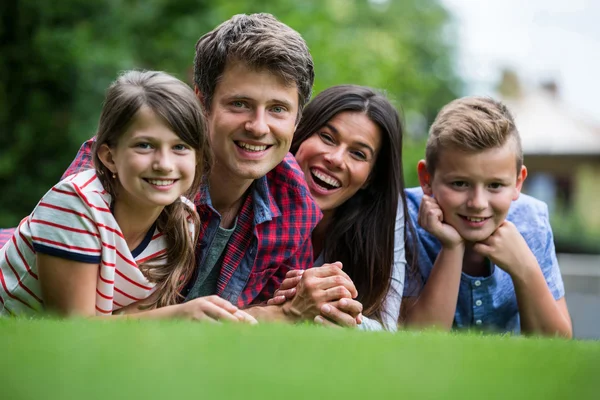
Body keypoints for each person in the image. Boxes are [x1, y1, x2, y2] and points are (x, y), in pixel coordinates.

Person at [1, 13, 361, 324]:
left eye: (278, 109)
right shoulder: (134, 168)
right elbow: (80, 313)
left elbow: (279, 317)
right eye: (240, 104)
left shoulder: (293, 199)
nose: (259, 126)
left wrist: (321, 302)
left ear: (298, 120)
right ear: (201, 103)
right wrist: (275, 316)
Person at [0, 70, 255, 322]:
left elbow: (133, 321)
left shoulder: (183, 220)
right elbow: (74, 330)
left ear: (197, 158)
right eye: (144, 145)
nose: (164, 164)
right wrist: (180, 314)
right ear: (109, 157)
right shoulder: (75, 204)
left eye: (179, 147)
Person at [401, 96, 572, 337]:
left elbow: (557, 345)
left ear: (518, 182)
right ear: (426, 179)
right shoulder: (405, 219)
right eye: (459, 183)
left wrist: (524, 266)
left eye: (495, 185)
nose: (477, 204)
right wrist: (451, 248)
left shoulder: (531, 221)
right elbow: (417, 338)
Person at [267, 85, 411, 331]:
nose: (335, 159)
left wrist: (340, 317)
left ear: (370, 177)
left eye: (357, 153)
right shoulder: (257, 186)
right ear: (300, 136)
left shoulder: (384, 215)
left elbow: (387, 329)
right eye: (327, 137)